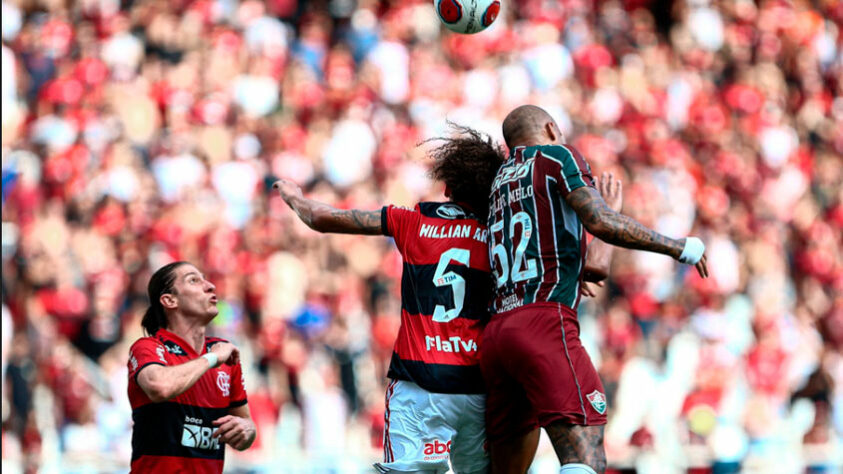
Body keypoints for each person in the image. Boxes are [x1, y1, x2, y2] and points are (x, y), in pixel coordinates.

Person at [480, 104, 709, 474]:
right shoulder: (557, 157)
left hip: (496, 335)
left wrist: (580, 263)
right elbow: (599, 221)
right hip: (544, 321)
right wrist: (678, 246)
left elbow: (594, 268)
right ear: (552, 129)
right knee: (585, 456)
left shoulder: (496, 182)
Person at [273, 125, 505, 474]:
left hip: (418, 385)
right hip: (476, 387)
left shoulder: (411, 221)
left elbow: (322, 219)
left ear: (447, 186)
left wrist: (294, 198)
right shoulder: (499, 235)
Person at [127, 261, 256, 473]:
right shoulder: (149, 347)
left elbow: (245, 429)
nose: (210, 286)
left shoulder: (225, 359)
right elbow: (160, 387)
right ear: (169, 300)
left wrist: (247, 430)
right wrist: (211, 358)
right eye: (194, 280)